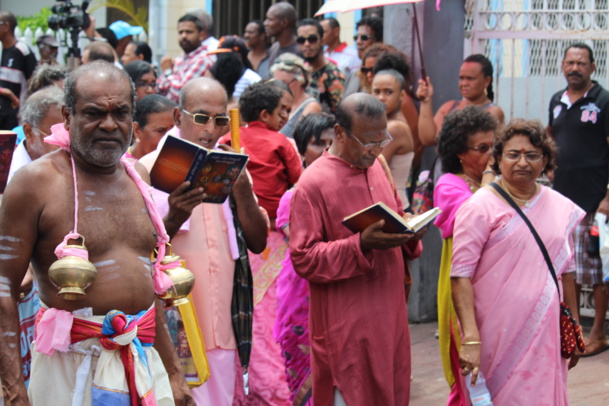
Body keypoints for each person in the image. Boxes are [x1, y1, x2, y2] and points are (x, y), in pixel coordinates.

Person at [0, 61, 193, 405]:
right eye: (93, 113)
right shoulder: (34, 183)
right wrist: (14, 391)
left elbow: (146, 285)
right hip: (69, 370)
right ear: (67, 115)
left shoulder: (138, 178)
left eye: (120, 113)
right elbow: (2, 290)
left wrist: (175, 374)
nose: (109, 124)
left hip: (142, 360)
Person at [139, 77, 268, 405]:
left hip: (223, 325)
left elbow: (257, 241)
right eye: (201, 117)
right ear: (178, 116)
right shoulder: (147, 171)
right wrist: (174, 218)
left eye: (220, 119)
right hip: (176, 328)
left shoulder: (231, 165)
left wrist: (242, 189)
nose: (211, 128)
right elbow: (140, 252)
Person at [290, 93, 424, 405]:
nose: (377, 150)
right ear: (339, 133)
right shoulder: (312, 183)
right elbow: (303, 258)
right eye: (368, 142)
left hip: (389, 315)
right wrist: (360, 244)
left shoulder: (378, 165)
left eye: (382, 140)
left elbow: (395, 215)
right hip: (346, 324)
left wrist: (409, 229)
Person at [451, 119, 583, 404]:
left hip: (547, 334)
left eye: (532, 155)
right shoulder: (478, 208)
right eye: (513, 154)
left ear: (545, 160)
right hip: (496, 336)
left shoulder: (559, 206)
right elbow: (460, 275)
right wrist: (471, 340)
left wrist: (574, 328)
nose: (522, 162)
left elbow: (567, 271)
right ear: (498, 159)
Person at [221, 80, 301, 405]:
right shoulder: (282, 142)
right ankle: (278, 390)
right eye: (283, 110)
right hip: (274, 241)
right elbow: (301, 187)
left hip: (235, 238)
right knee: (271, 319)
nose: (286, 116)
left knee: (242, 316)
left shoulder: (225, 141)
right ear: (265, 113)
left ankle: (243, 390)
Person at [432, 106, 498, 406]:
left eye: (494, 146)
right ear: (460, 152)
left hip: (499, 290)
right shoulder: (449, 184)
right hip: (464, 292)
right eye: (483, 149)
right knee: (471, 382)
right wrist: (489, 179)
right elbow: (476, 217)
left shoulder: (499, 182)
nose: (492, 154)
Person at [548, 43, 609, 357]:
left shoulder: (603, 101)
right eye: (570, 62)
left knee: (596, 270)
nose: (575, 68)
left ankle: (598, 333)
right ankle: (571, 329)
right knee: (566, 268)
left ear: (593, 67)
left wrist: (608, 197)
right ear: (562, 65)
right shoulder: (556, 101)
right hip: (561, 202)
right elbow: (552, 139)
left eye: (581, 63)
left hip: (594, 201)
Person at [274, 112, 334, 404]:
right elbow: (307, 251)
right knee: (305, 382)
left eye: (332, 143)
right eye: (317, 143)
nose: (325, 150)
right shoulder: (292, 198)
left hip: (338, 295)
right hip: (303, 299)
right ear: (301, 150)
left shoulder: (347, 192)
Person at [416, 54, 505, 146]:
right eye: (461, 78)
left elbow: (468, 142)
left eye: (470, 78)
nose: (464, 83)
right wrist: (426, 101)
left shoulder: (493, 112)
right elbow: (428, 139)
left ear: (487, 81)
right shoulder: (449, 106)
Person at [372, 69, 415, 210]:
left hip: (395, 208)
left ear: (402, 95)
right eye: (376, 92)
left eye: (388, 92)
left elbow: (372, 167)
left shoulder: (394, 128)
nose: (381, 97)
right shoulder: (386, 123)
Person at [157, 14, 213, 104]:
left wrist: (168, 72)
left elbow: (181, 94)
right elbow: (159, 87)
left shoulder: (203, 60)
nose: (184, 36)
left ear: (201, 35)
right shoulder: (179, 59)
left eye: (189, 32)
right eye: (180, 32)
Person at [297, 18, 345, 114]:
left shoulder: (333, 75)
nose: (307, 44)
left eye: (312, 39)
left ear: (322, 40)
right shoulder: (298, 72)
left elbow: (340, 114)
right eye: (301, 40)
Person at [0, 11, 37, 130]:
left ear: (6, 26)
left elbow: (34, 82)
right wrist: (7, 93)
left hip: (16, 116)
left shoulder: (22, 51)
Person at [271, 53, 321, 138]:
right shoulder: (274, 102)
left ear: (300, 80)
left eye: (285, 83)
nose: (280, 88)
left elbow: (300, 140)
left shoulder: (311, 107)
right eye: (276, 83)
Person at [208, 35, 261, 101]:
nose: (220, 60)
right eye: (218, 55)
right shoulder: (216, 77)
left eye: (223, 55)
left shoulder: (252, 79)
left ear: (239, 56)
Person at [129, 94, 176, 159]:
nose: (170, 138)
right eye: (161, 131)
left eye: (174, 130)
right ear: (137, 130)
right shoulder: (118, 165)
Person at [264, 2, 301, 67]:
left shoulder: (301, 50)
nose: (265, 23)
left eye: (270, 19)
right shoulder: (274, 48)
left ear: (284, 23)